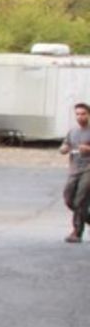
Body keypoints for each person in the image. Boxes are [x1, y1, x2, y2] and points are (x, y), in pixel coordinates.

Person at [63, 102, 90, 242]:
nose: (80, 117)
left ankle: (77, 232)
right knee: (68, 199)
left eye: (83, 114)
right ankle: (86, 217)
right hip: (75, 169)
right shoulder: (73, 131)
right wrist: (64, 148)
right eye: (77, 114)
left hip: (88, 169)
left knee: (80, 200)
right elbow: (66, 144)